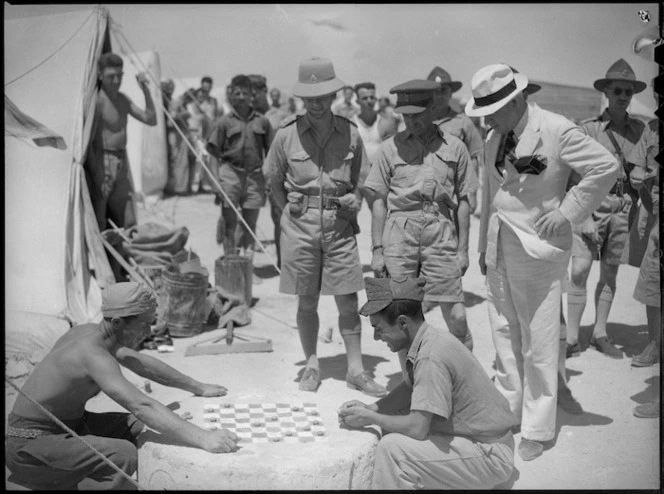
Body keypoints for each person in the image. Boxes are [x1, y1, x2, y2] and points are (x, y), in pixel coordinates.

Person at [467, 64, 619, 461]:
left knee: (539, 340)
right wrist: (484, 248)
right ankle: (507, 412)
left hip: (539, 248)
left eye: (494, 108)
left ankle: (537, 427)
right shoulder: (492, 137)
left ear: (516, 99)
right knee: (503, 333)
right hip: (500, 245)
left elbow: (605, 167)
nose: (488, 118)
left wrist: (568, 212)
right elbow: (489, 194)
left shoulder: (556, 128)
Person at [5, 282, 239, 490]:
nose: (149, 332)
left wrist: (196, 387)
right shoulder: (92, 355)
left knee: (134, 427)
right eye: (145, 325)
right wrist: (203, 438)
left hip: (69, 426)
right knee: (123, 455)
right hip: (30, 445)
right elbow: (141, 405)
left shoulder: (92, 332)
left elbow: (142, 365)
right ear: (117, 323)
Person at [263, 57, 386, 397]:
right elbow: (271, 177)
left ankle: (357, 371)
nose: (316, 104)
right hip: (299, 228)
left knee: (348, 302)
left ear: (333, 95)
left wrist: (356, 200)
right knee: (307, 302)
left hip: (340, 227)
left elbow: (365, 178)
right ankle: (312, 364)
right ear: (302, 99)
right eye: (309, 98)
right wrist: (286, 209)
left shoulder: (350, 132)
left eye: (323, 96)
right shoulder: (286, 135)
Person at [338, 276, 517, 490]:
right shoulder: (429, 338)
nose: (377, 337)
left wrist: (371, 417)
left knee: (391, 449)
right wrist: (371, 408)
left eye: (379, 328)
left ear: (403, 322)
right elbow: (410, 387)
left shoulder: (430, 356)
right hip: (484, 443)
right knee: (393, 420)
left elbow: (417, 429)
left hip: (491, 457)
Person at [363, 79, 477, 351]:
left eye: (417, 114)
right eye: (406, 115)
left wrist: (463, 250)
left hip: (440, 230)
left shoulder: (455, 147)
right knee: (400, 320)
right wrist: (377, 250)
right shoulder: (389, 148)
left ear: (432, 108)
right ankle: (412, 385)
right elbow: (378, 201)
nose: (411, 121)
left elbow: (464, 201)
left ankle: (466, 378)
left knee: (457, 316)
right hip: (399, 233)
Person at [566, 59, 647, 359]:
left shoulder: (640, 130)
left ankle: (600, 333)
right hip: (592, 207)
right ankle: (572, 338)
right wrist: (583, 216)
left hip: (623, 210)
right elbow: (572, 179)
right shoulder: (589, 130)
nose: (623, 96)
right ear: (607, 93)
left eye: (628, 91)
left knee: (610, 274)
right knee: (580, 269)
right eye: (618, 90)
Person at [206, 74, 274, 263]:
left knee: (250, 225)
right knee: (230, 223)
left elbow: (271, 152)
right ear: (231, 94)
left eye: (245, 93)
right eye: (237, 93)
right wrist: (215, 183)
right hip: (230, 174)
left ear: (252, 94)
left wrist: (267, 177)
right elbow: (212, 153)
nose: (242, 97)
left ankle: (247, 270)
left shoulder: (263, 122)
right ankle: (230, 265)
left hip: (255, 176)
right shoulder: (223, 122)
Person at [86, 52, 156, 232]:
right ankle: (104, 260)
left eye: (120, 75)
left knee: (128, 221)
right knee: (100, 221)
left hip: (122, 162)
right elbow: (89, 144)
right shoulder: (97, 103)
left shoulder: (123, 100)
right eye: (111, 76)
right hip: (104, 162)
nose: (116, 80)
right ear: (100, 75)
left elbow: (150, 119)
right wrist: (97, 175)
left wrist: (145, 91)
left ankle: (122, 258)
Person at [628, 119, 660, 419]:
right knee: (651, 284)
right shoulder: (652, 128)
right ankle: (654, 342)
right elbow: (637, 167)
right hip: (654, 211)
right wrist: (640, 176)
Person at [426, 66, 483, 214]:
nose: (439, 95)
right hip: (425, 191)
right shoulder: (420, 122)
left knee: (457, 233)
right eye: (435, 91)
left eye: (444, 90)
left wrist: (473, 194)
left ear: (451, 93)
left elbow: (473, 159)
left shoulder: (463, 122)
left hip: (456, 193)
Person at [351, 81, 402, 206]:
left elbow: (393, 153)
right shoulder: (350, 123)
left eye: (372, 97)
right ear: (357, 101)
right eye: (364, 98)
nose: (369, 101)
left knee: (379, 213)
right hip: (355, 177)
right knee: (349, 217)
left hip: (377, 178)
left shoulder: (386, 123)